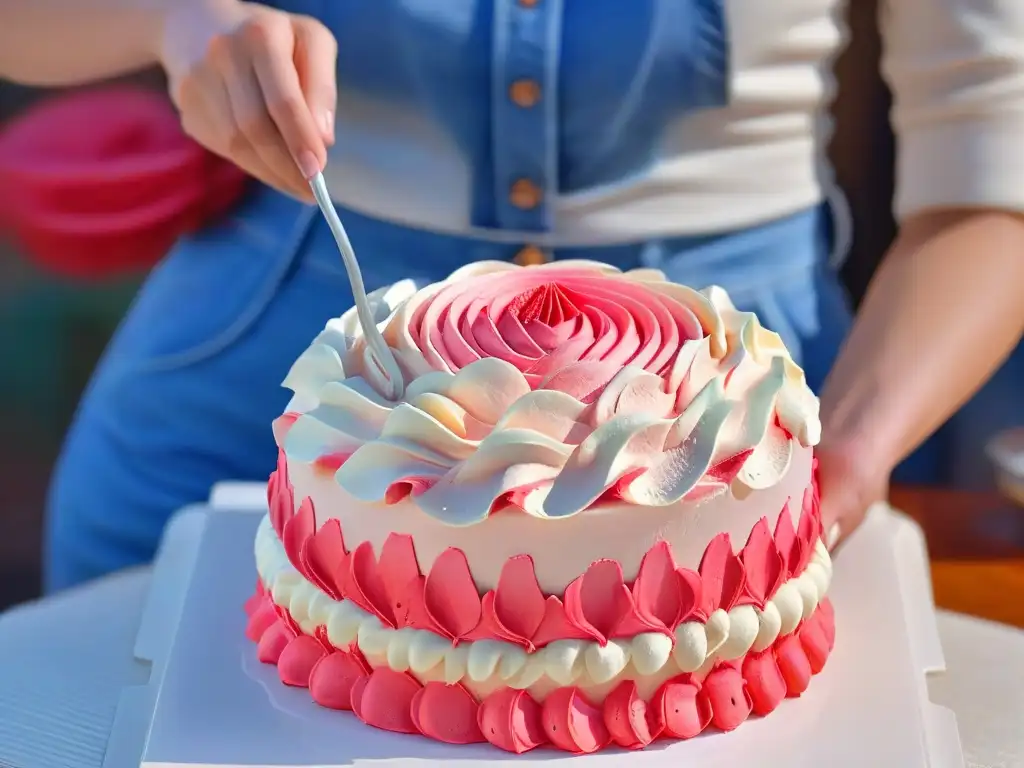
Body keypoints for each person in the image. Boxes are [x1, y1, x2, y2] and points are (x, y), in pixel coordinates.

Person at [2, 0, 1023, 592]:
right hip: (261, 383)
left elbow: (995, 162)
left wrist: (845, 446)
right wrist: (175, 17)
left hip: (726, 414)